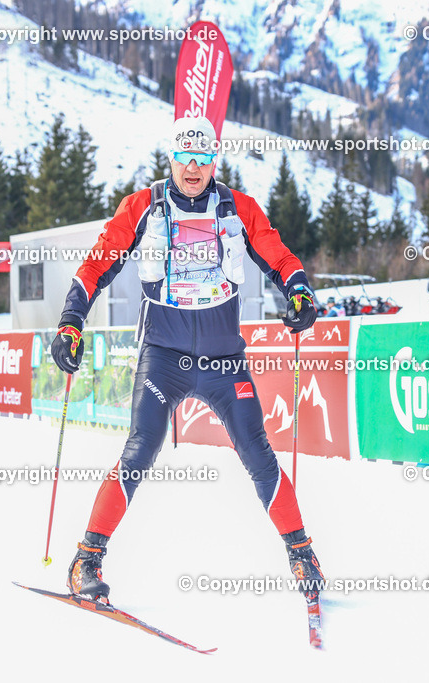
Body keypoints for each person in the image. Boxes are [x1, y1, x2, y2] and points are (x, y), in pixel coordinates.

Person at [50, 115, 323, 604]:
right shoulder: (142, 206)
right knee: (139, 451)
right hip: (164, 357)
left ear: (214, 160)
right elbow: (96, 265)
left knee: (258, 453)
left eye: (202, 158)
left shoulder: (239, 208)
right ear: (171, 158)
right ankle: (85, 561)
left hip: (224, 361)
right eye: (184, 157)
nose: (193, 168)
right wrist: (71, 321)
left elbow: (280, 258)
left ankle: (302, 553)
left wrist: (299, 291)